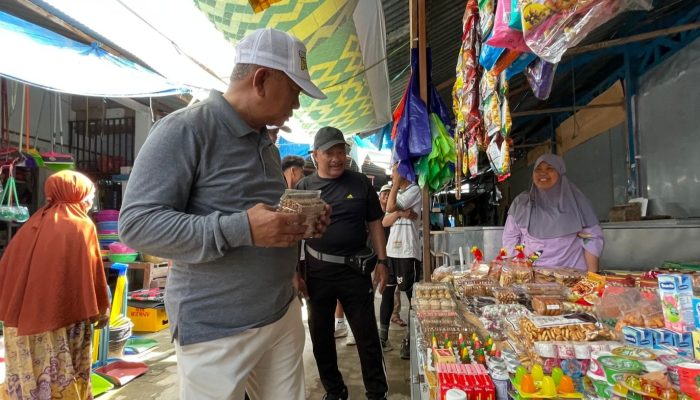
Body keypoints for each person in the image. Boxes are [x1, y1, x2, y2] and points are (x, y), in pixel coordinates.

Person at [119, 28, 329, 400]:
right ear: (262, 79)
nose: (296, 105)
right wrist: (242, 228)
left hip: (280, 312)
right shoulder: (184, 129)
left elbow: (262, 214)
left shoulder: (266, 142)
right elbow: (138, 224)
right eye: (294, 91)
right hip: (217, 328)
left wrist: (298, 222)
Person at [296, 126, 389, 400]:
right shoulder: (304, 187)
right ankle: (335, 391)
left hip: (355, 271)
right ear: (316, 156)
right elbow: (295, 232)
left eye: (341, 152)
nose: (337, 158)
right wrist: (294, 273)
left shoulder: (360, 183)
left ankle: (377, 392)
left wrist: (383, 261)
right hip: (317, 273)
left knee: (367, 337)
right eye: (329, 153)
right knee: (321, 337)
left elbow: (374, 223)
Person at [0, 170, 110, 400]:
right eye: (89, 196)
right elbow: (93, 274)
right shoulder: (81, 225)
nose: (90, 201)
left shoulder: (33, 223)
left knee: (26, 382)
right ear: (76, 194)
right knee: (62, 379)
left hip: (19, 325)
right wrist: (101, 310)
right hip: (63, 320)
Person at [502, 153, 603, 272]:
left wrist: (592, 278)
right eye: (538, 169)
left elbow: (591, 239)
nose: (543, 173)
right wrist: (513, 274)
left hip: (571, 277)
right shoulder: (521, 203)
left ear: (560, 173)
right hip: (532, 280)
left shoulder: (577, 202)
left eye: (550, 169)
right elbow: (510, 239)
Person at [380, 165, 422, 360]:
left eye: (395, 171)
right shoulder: (398, 192)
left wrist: (396, 183)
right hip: (391, 251)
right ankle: (383, 337)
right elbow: (384, 221)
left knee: (411, 295)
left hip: (407, 251)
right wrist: (400, 213)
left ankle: (411, 339)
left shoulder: (414, 189)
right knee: (388, 293)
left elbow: (389, 208)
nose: (392, 174)